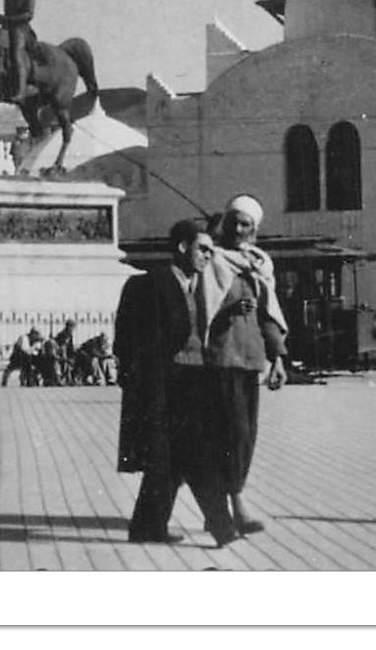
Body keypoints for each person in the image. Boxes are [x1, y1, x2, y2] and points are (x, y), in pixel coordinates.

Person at [115, 218, 235, 546]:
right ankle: (222, 529)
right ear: (182, 247)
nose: (208, 257)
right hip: (167, 389)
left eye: (212, 251)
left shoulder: (198, 289)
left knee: (169, 463)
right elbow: (131, 341)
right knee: (196, 460)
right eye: (203, 249)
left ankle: (146, 529)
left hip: (193, 385)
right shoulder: (152, 285)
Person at [208, 194, 289, 537]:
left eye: (246, 225)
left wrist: (279, 358)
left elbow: (268, 313)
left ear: (255, 230)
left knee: (245, 436)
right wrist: (229, 308)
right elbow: (203, 305)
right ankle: (234, 506)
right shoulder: (212, 259)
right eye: (234, 222)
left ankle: (227, 505)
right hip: (219, 357)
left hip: (250, 359)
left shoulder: (260, 265)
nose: (239, 230)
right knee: (229, 435)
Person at [0, 0, 38, 101]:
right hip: (8, 27)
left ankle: (22, 89)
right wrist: (3, 19)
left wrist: (9, 19)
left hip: (22, 29)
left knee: (17, 51)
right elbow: (6, 11)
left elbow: (28, 14)